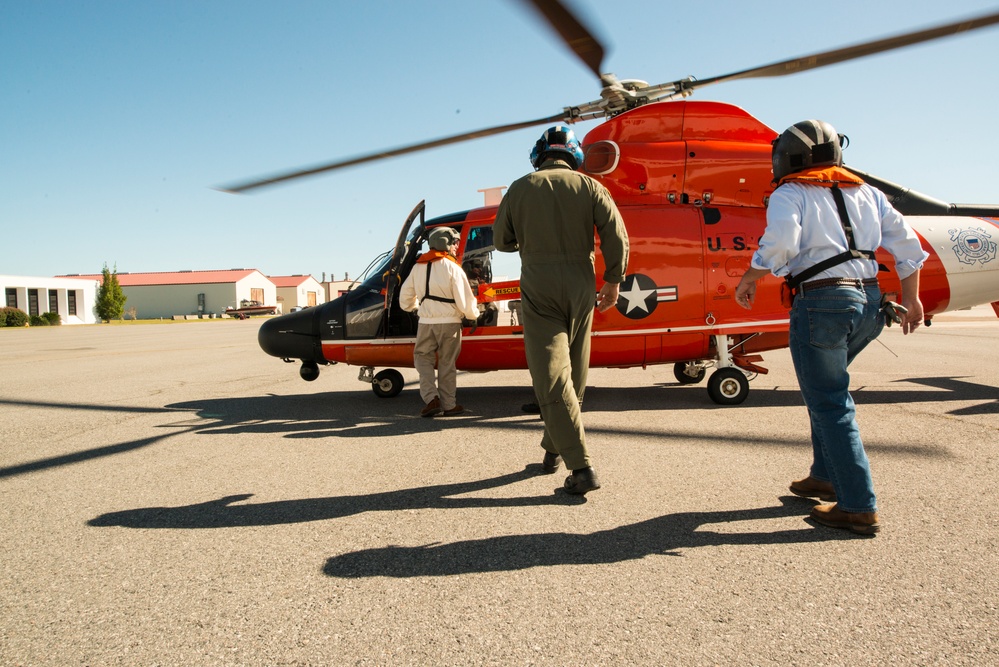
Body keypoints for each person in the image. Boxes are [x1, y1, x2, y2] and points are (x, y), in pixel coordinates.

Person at [734, 119, 928, 535]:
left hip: (822, 302)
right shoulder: (868, 193)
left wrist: (751, 275)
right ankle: (824, 475)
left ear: (790, 156)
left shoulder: (790, 192)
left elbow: (782, 241)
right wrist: (911, 298)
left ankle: (858, 505)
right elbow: (909, 246)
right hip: (870, 302)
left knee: (829, 399)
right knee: (825, 389)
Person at [495, 125, 629, 495]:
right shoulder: (591, 187)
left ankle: (581, 467)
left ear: (539, 154)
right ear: (575, 155)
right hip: (581, 282)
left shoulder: (520, 188)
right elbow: (616, 234)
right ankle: (552, 451)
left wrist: (532, 234)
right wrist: (613, 280)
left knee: (552, 374)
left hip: (539, 284)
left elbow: (502, 243)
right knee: (575, 369)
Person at [399, 226, 480, 418]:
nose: (455, 247)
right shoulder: (452, 267)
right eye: (454, 243)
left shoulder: (417, 267)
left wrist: (414, 308)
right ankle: (449, 405)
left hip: (425, 323)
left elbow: (405, 299)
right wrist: (473, 315)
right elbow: (465, 301)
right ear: (446, 244)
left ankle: (430, 399)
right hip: (450, 323)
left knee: (423, 360)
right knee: (446, 363)